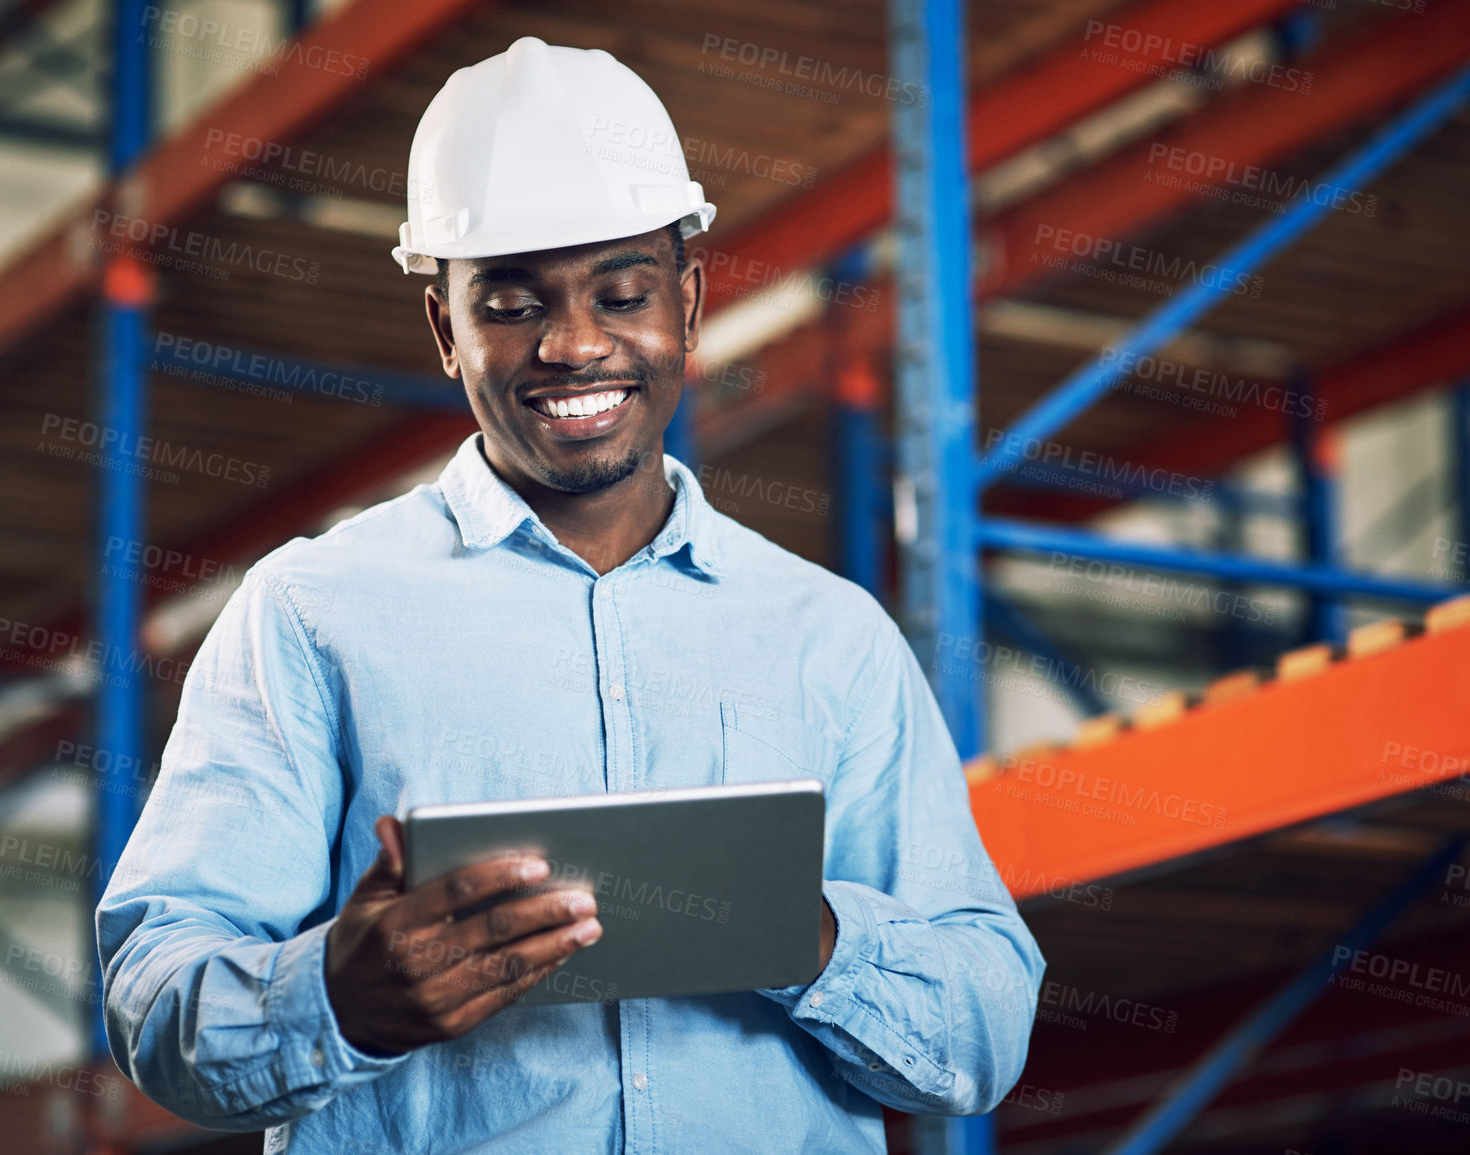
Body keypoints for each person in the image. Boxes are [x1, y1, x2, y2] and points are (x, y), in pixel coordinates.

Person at [98, 36, 1042, 1154]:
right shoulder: (312, 614)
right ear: (447, 330)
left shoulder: (827, 635)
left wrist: (810, 937)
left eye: (623, 292)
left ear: (687, 303)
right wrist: (338, 998)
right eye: (509, 304)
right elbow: (157, 993)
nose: (576, 345)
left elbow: (982, 1031)